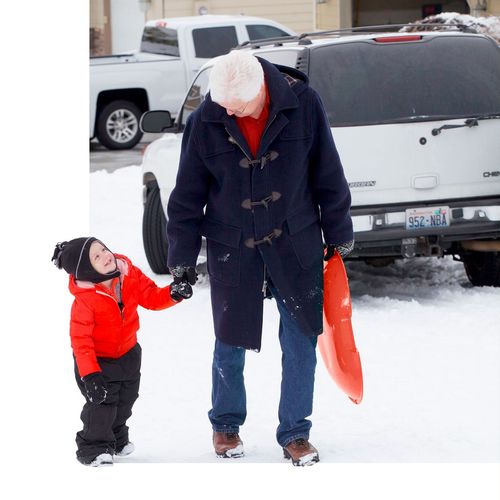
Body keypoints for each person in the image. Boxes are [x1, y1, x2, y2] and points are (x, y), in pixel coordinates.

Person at [166, 51, 354, 466]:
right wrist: (180, 260)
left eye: (238, 105)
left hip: (295, 239)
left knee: (302, 338)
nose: (228, 110)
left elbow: (329, 173)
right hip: (232, 244)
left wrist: (338, 234)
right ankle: (226, 425)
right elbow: (186, 197)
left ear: (262, 91)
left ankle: (295, 432)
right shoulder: (207, 118)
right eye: (223, 103)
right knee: (229, 338)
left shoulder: (303, 104)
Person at [52, 237, 192, 466]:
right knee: (102, 405)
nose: (106, 255)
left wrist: (174, 293)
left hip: (128, 353)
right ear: (87, 270)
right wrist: (90, 375)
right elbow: (81, 341)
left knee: (126, 399)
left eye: (104, 249)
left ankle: (116, 439)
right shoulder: (85, 300)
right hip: (98, 362)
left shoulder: (129, 274)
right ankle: (93, 448)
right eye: (96, 257)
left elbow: (151, 296)